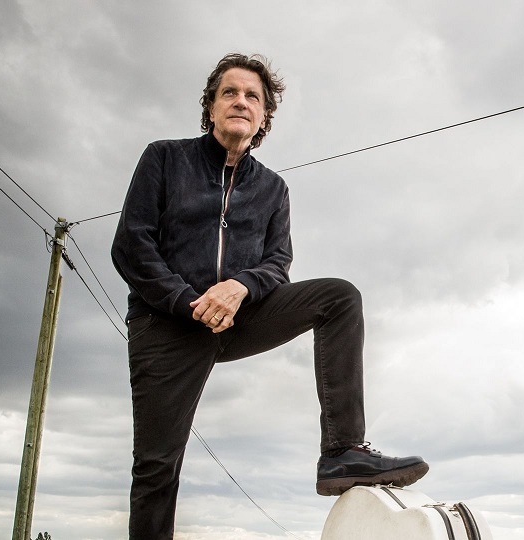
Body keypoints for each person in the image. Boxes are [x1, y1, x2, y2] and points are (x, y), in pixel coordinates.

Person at [111, 53, 428, 539]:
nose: (241, 101)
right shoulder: (165, 158)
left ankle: (341, 451)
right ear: (211, 107)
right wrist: (189, 301)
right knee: (156, 466)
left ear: (264, 116)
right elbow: (132, 245)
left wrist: (239, 287)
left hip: (239, 318)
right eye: (230, 93)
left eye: (252, 96)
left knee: (339, 298)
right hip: (167, 323)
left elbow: (277, 262)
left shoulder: (273, 189)